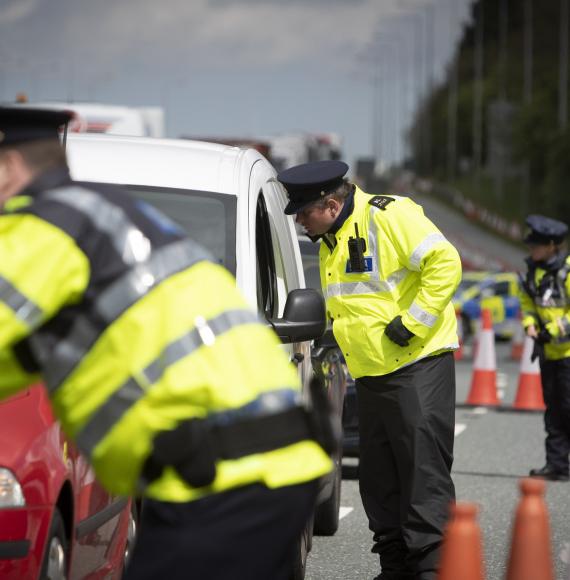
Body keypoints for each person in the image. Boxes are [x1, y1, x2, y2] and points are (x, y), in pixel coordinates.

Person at [0, 107, 333, 579]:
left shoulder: (39, 231)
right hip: (273, 469)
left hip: (220, 482)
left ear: (8, 168)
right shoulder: (107, 215)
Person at [277, 160, 462, 580]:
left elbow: (445, 263)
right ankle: (395, 567)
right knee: (380, 480)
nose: (301, 223)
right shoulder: (332, 238)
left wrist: (413, 322)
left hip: (417, 365)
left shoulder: (387, 214)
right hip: (373, 373)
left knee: (421, 475)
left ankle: (431, 569)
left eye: (304, 213)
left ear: (330, 203)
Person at [519, 214, 570, 482]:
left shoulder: (567, 270)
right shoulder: (532, 270)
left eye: (536, 245)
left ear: (552, 245)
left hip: (567, 353)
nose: (531, 250)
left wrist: (556, 328)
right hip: (548, 353)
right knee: (554, 411)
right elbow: (527, 302)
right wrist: (529, 323)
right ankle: (557, 465)